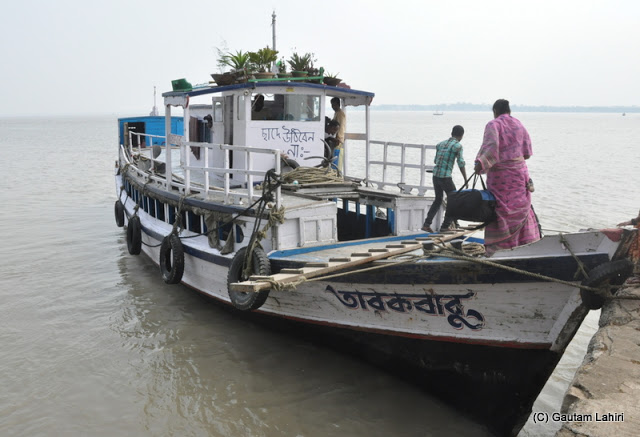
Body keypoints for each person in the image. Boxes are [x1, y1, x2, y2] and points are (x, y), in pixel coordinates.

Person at [474, 99, 540, 256]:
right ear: (509, 111)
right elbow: (527, 153)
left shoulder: (494, 124)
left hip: (501, 178)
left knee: (501, 209)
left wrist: (480, 165)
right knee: (520, 209)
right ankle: (526, 246)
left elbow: (491, 150)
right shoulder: (519, 124)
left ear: (495, 111)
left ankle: (499, 251)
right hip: (520, 174)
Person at [422, 125, 467, 233]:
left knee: (438, 200)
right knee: (454, 200)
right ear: (461, 136)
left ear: (452, 133)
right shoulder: (458, 146)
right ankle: (445, 226)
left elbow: (435, 160)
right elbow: (460, 163)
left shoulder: (440, 144)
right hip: (445, 177)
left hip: (436, 175)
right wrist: (465, 179)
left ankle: (427, 224)